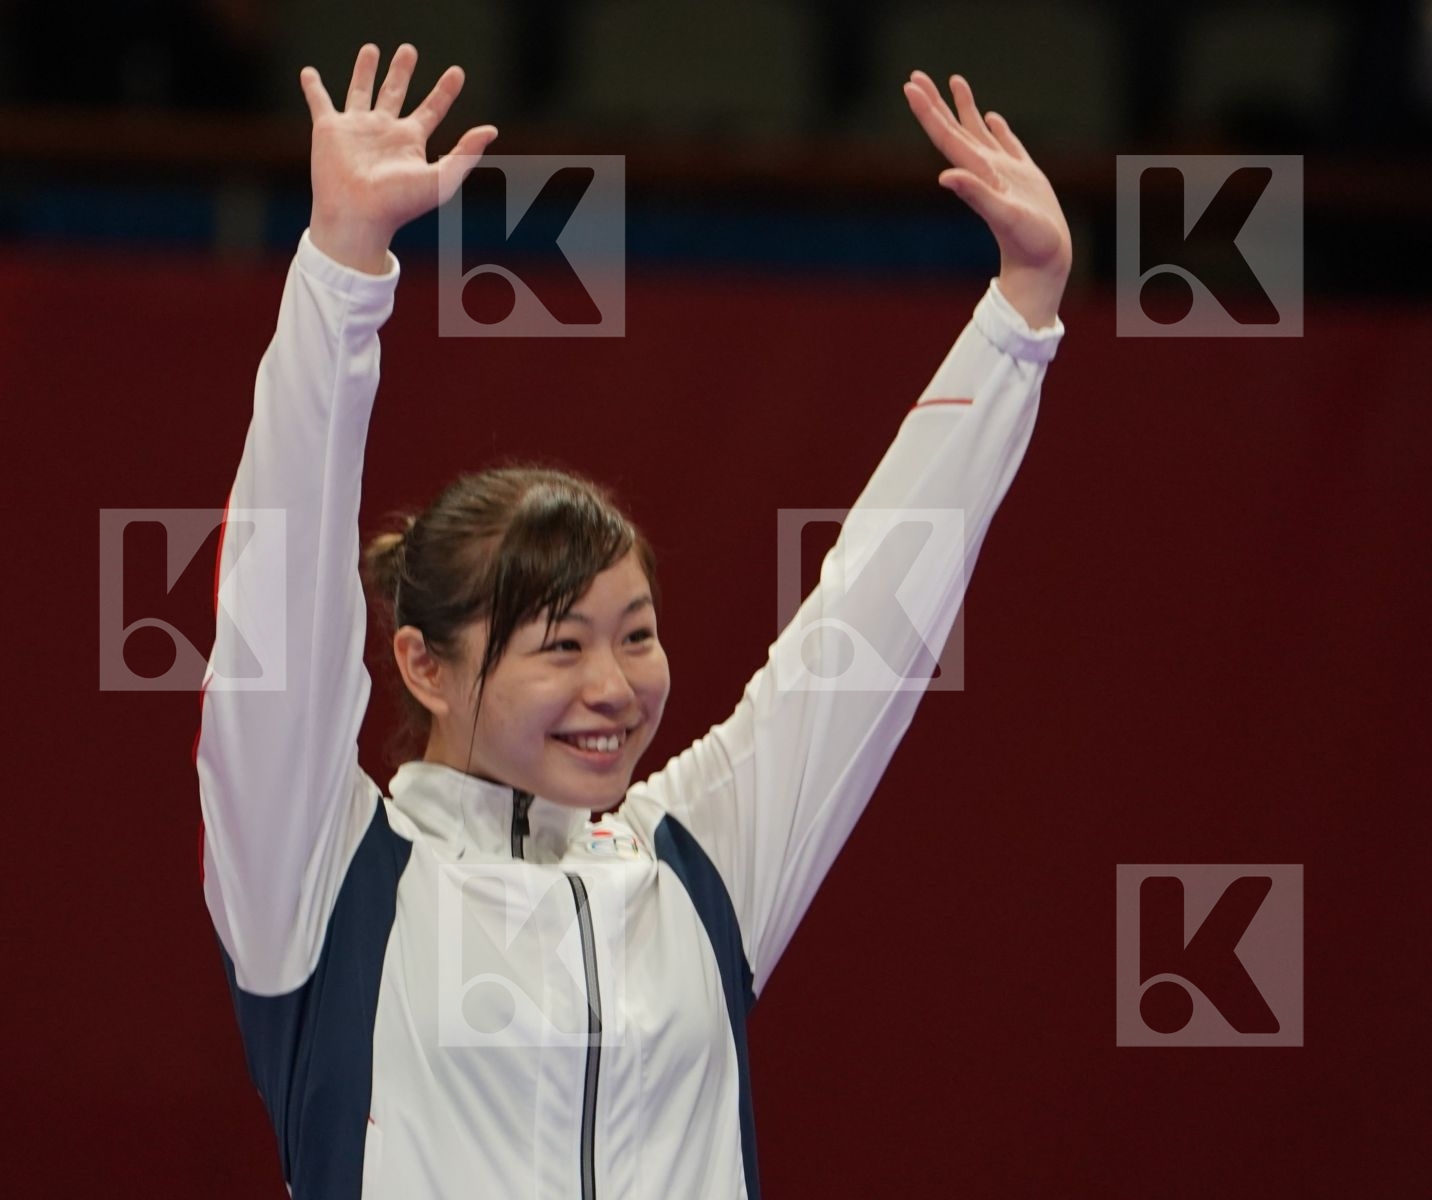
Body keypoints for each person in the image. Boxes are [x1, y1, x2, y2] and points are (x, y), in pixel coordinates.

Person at [197, 43, 1070, 1199]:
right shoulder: (320, 876)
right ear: (424, 664)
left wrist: (1018, 323)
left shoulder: (697, 864)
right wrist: (340, 275)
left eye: (637, 633)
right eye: (561, 644)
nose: (615, 686)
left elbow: (867, 630)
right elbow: (280, 606)